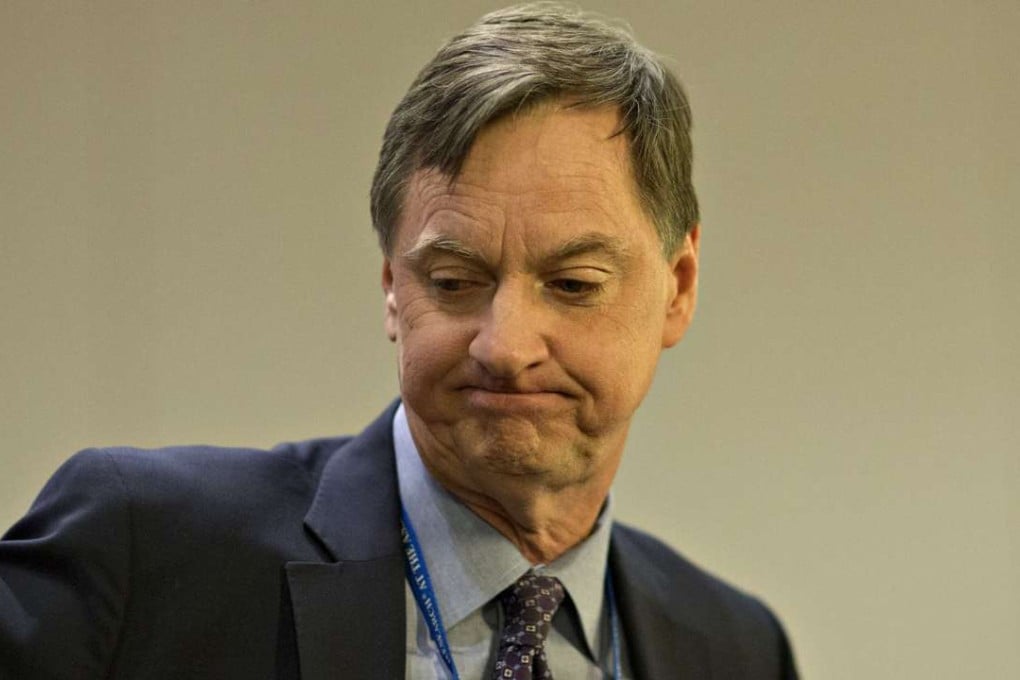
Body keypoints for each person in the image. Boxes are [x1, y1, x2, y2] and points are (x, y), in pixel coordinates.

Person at [0, 4, 798, 679]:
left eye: (573, 284)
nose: (506, 345)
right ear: (393, 287)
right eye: (453, 282)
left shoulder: (735, 649)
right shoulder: (147, 552)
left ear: (679, 286)